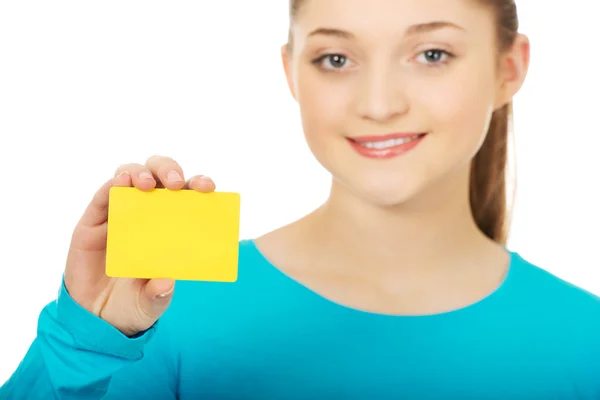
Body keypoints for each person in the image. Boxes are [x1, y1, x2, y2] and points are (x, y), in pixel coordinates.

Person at [2, 0, 600, 398]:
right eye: (336, 58)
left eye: (432, 54)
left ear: (509, 67)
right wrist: (85, 342)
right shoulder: (162, 310)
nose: (379, 102)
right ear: (292, 72)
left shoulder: (586, 342)